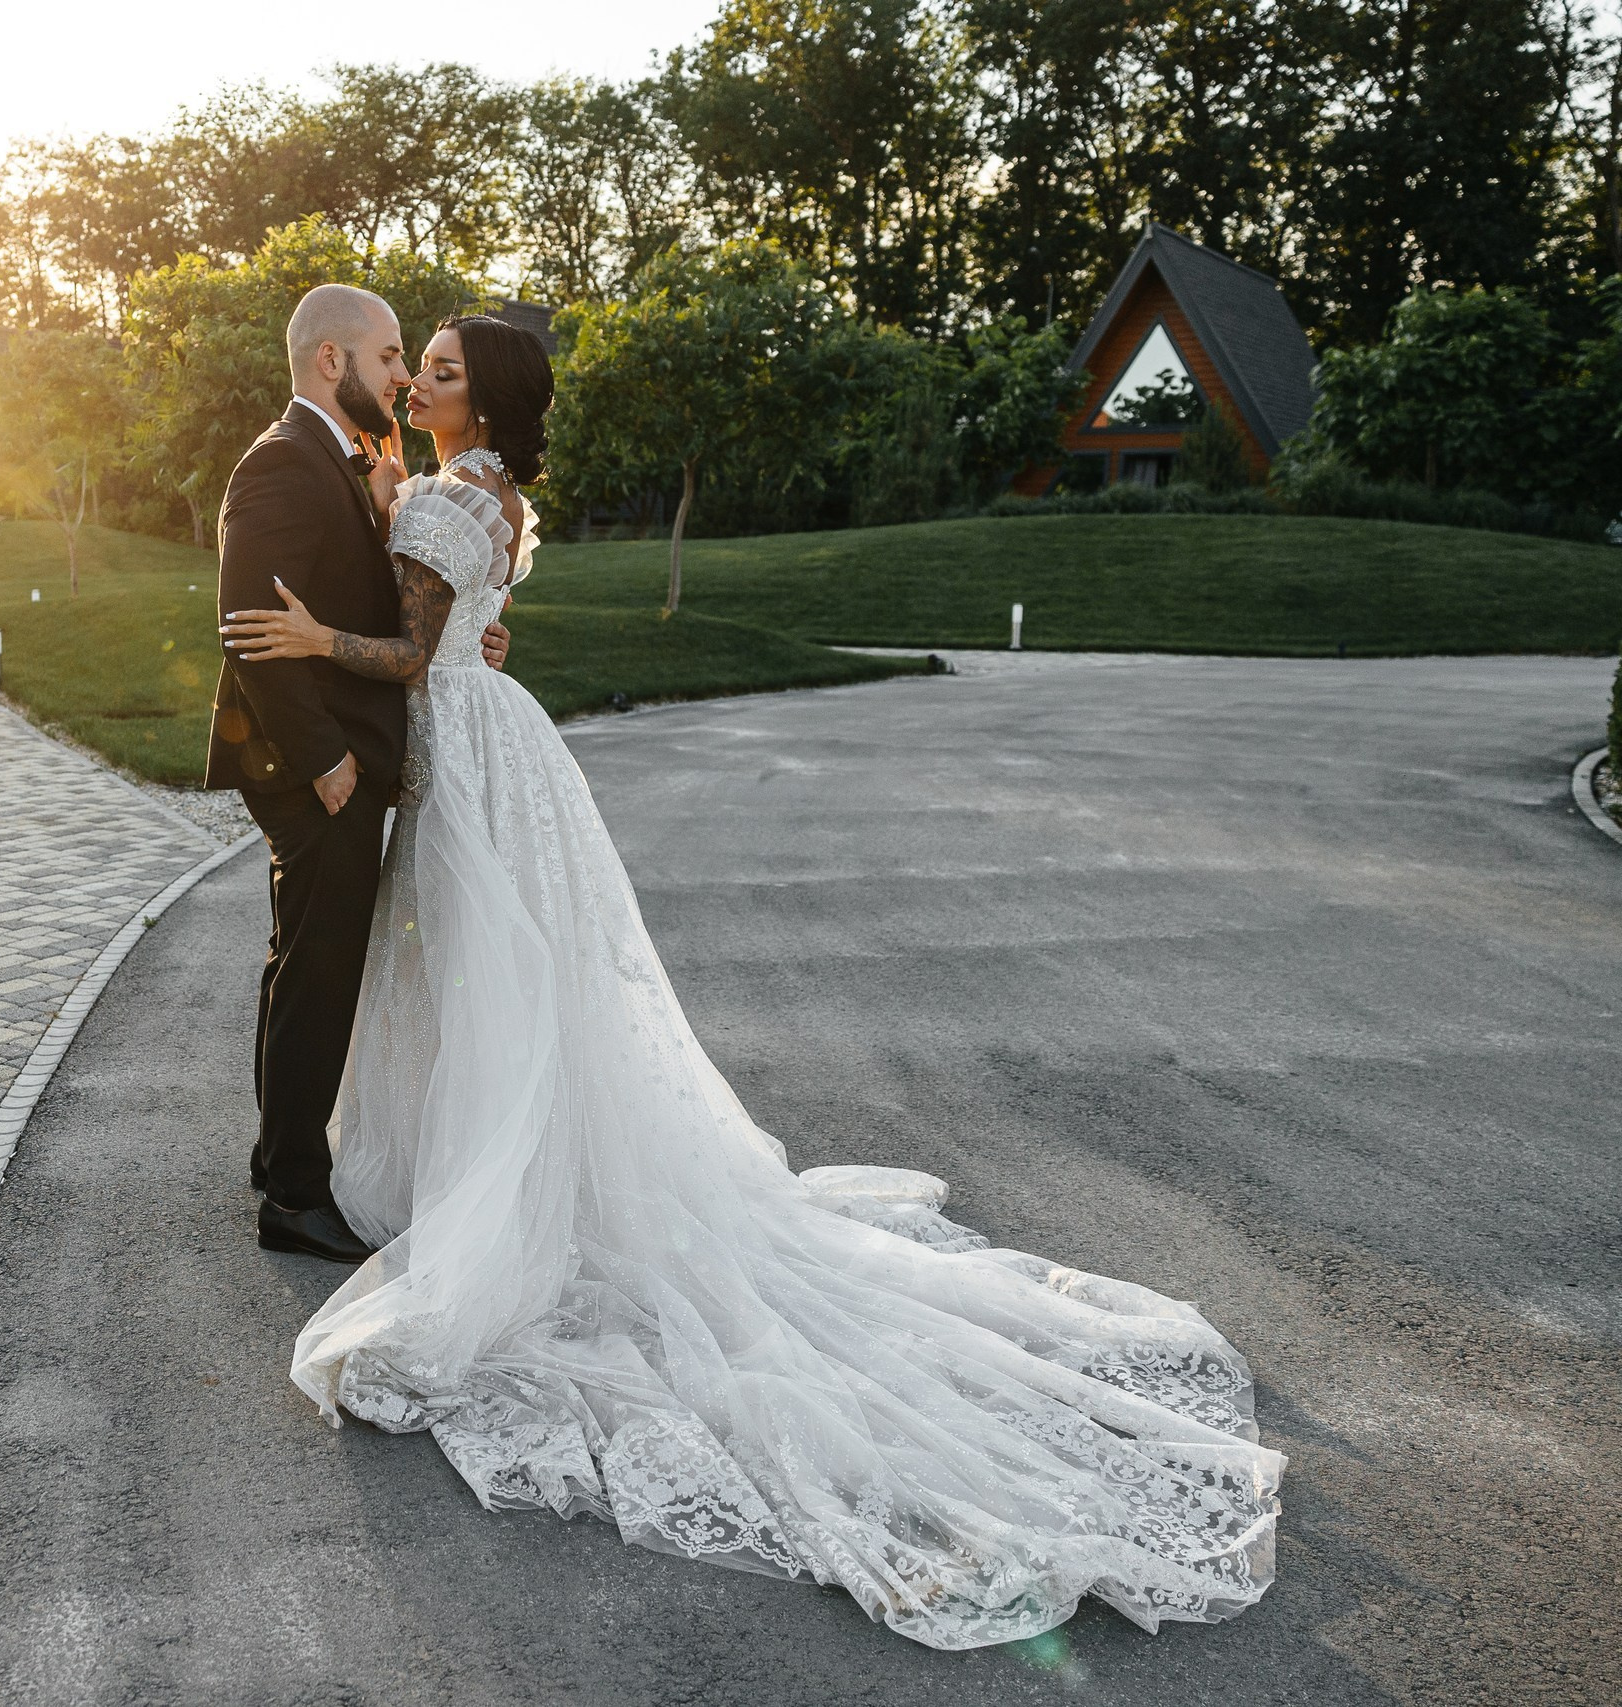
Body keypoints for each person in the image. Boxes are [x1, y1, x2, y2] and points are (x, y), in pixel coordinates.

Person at [218, 313, 1284, 1652]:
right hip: (481, 748)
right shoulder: (458, 486)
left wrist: (316, 637)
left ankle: (488, 1179)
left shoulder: (447, 491)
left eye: (436, 369)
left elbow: (415, 652)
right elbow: (465, 618)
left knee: (488, 977)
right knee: (485, 979)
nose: (415, 380)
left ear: (476, 401)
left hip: (469, 759)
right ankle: (454, 1163)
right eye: (411, 363)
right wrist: (416, 559)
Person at [205, 283, 508, 1264]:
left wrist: (467, 629)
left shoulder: (347, 458)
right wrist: (324, 760)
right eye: (388, 356)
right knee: (320, 971)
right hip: (313, 765)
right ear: (330, 360)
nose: (402, 374)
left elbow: (384, 600)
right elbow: (250, 628)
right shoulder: (281, 462)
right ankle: (295, 1197)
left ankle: (279, 1162)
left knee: (302, 960)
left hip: (339, 757)